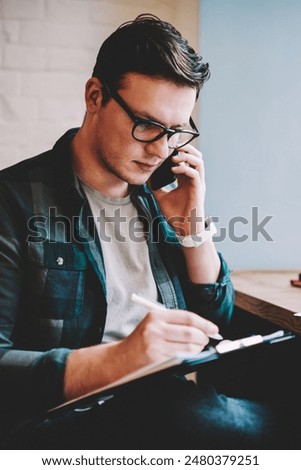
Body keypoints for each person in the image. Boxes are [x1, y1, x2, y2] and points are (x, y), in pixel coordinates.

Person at [0, 13, 299, 450]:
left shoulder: (155, 198)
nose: (160, 149)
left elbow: (215, 323)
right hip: (60, 425)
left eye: (175, 131)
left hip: (169, 405)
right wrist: (120, 359)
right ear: (95, 96)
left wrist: (193, 228)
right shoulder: (15, 201)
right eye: (147, 125)